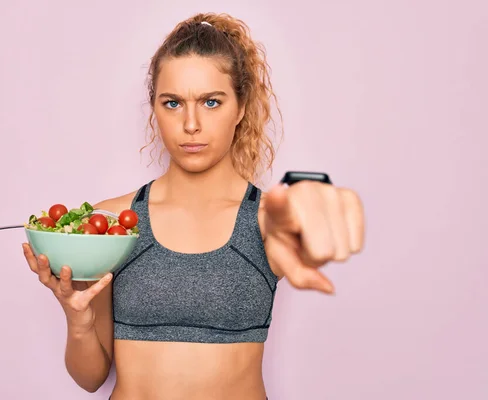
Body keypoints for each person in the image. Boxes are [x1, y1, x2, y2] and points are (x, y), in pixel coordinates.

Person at [22, 12, 365, 400]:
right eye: (172, 103)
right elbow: (90, 378)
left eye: (211, 102)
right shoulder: (113, 224)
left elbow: (321, 228)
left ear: (240, 108)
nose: (190, 124)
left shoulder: (269, 220)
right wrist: (78, 317)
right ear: (154, 108)